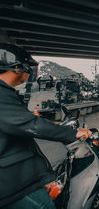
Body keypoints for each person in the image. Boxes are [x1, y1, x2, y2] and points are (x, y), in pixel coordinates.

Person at [0, 43, 91, 209]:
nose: (29, 73)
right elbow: (28, 124)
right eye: (28, 68)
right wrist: (71, 133)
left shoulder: (6, 92)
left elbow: (18, 121)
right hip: (13, 185)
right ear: (16, 67)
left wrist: (51, 124)